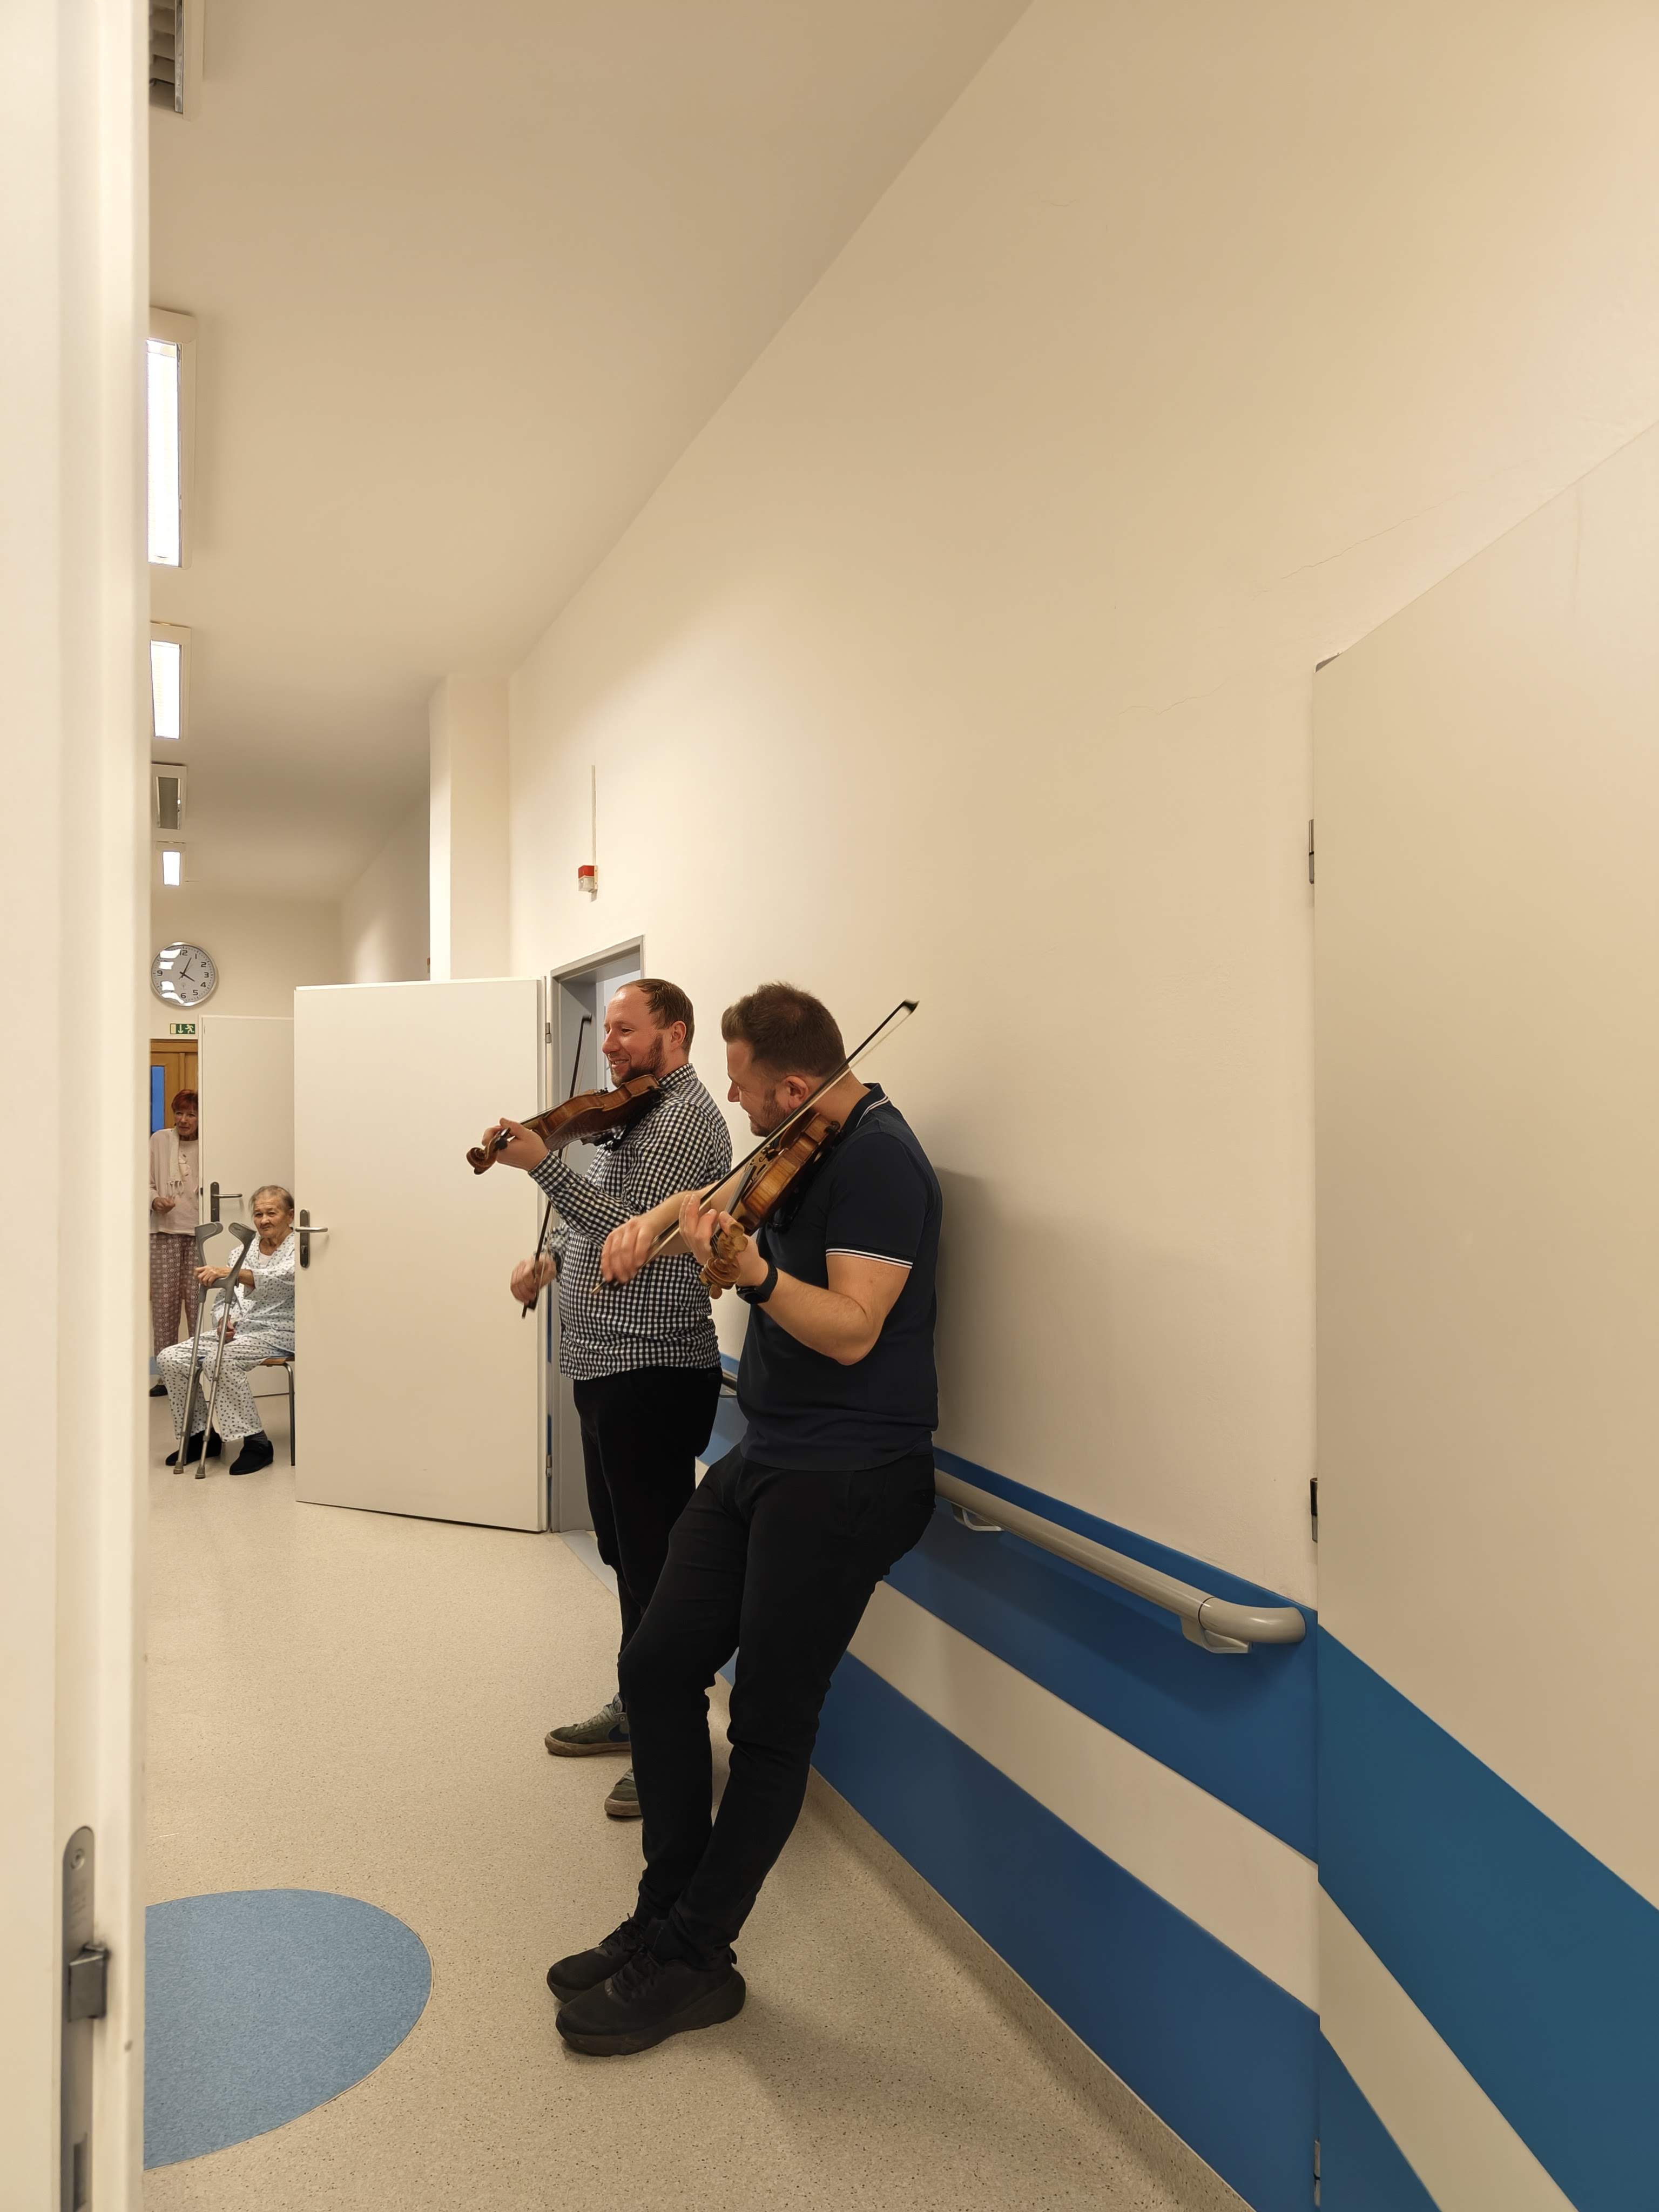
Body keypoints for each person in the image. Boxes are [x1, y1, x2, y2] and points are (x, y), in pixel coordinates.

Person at [545, 982, 941, 2056]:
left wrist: (757, 1276)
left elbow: (853, 1327)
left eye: (745, 1085)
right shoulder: (803, 1141)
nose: (733, 1101)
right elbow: (713, 1194)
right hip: (770, 1453)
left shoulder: (880, 1162)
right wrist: (651, 1223)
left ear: (798, 1084)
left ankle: (695, 1955)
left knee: (768, 1722)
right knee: (656, 1662)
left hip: (851, 1472)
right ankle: (661, 1911)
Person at [484, 978, 732, 1822]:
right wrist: (549, 1261)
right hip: (604, 1365)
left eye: (627, 1030)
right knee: (628, 1558)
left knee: (659, 1568)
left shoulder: (686, 1118)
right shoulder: (631, 1115)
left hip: (653, 1370)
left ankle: (674, 1744)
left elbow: (631, 1224)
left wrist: (542, 1165)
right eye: (609, 1031)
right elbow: (595, 1226)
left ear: (676, 1034)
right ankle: (638, 1710)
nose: (611, 1044)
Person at [158, 1184, 296, 1476]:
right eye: (258, 1214)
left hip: (279, 1330)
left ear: (290, 1215)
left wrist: (230, 1273)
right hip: (241, 1330)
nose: (264, 1220)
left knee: (221, 1360)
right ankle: (198, 1436)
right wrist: (224, 1321)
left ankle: (256, 1442)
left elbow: (282, 1281)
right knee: (171, 1358)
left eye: (272, 1213)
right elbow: (224, 1300)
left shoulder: (300, 1249)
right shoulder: (240, 1253)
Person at [148, 1088, 201, 1393]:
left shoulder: (213, 1143)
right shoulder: (160, 1140)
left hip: (201, 1235)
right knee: (164, 1307)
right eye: (179, 1113)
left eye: (191, 1114)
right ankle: (167, 1376)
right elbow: (143, 1181)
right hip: (164, 1232)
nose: (184, 1120)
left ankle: (196, 1371)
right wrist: (154, 1200)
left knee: (198, 1306)